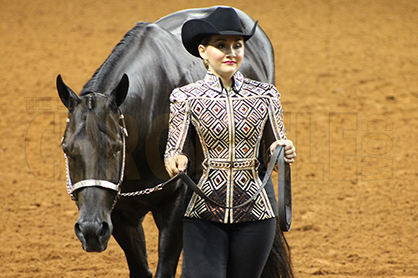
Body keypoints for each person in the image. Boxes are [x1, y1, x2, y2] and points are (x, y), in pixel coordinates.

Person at [164, 7, 296, 278]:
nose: (231, 52)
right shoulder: (185, 98)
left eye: (237, 45)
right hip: (203, 214)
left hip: (257, 214)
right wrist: (176, 159)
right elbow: (174, 148)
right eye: (221, 45)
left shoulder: (266, 96)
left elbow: (275, 142)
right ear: (203, 51)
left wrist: (281, 149)